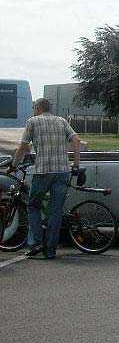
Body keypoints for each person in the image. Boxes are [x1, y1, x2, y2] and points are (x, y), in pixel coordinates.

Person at [9, 98, 82, 260]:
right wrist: (75, 163)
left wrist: (14, 164)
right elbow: (76, 140)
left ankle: (36, 243)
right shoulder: (62, 121)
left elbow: (23, 146)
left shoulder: (32, 122)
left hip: (43, 171)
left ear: (37, 108)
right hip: (62, 171)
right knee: (56, 212)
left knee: (33, 206)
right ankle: (50, 250)